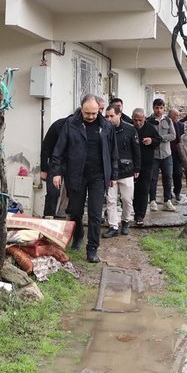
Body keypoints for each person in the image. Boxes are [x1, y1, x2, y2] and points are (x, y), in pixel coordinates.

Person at [51, 94, 118, 263]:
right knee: (75, 211)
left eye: (94, 113)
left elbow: (113, 152)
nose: (91, 116)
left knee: (95, 214)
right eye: (88, 113)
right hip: (76, 175)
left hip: (98, 176)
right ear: (82, 109)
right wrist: (56, 172)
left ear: (99, 110)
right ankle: (78, 233)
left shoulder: (106, 126)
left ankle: (92, 248)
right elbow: (59, 150)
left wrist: (113, 175)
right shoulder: (70, 125)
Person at [103, 104, 140, 237]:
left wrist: (137, 168)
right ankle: (113, 226)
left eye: (111, 116)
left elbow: (136, 149)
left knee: (127, 199)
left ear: (119, 114)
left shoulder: (130, 129)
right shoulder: (104, 130)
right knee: (110, 200)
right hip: (110, 172)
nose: (108, 119)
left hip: (127, 170)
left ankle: (125, 221)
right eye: (106, 116)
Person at [131, 108, 161, 226]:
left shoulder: (150, 128)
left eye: (140, 120)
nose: (138, 123)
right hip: (132, 165)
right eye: (135, 120)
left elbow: (158, 140)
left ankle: (140, 215)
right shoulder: (130, 128)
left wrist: (151, 140)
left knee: (144, 190)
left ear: (144, 118)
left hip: (147, 164)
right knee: (133, 191)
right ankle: (134, 211)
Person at [147, 98, 177, 212]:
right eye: (156, 108)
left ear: (164, 108)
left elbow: (173, 135)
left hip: (166, 154)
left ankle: (167, 201)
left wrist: (161, 138)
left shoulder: (168, 121)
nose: (159, 110)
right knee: (152, 179)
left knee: (168, 178)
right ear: (153, 108)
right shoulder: (149, 121)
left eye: (161, 108)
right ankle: (153, 201)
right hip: (153, 155)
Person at [40, 115, 70, 218]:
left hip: (72, 163)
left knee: (71, 193)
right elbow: (46, 147)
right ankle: (48, 215)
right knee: (53, 192)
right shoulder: (58, 125)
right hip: (55, 162)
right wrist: (43, 169)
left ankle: (64, 214)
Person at [169, 108, 186, 203]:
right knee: (168, 175)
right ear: (171, 116)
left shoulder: (180, 125)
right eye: (176, 115)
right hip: (168, 153)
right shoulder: (166, 124)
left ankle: (177, 192)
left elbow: (182, 139)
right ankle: (168, 193)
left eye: (178, 115)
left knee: (178, 174)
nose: (178, 117)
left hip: (177, 153)